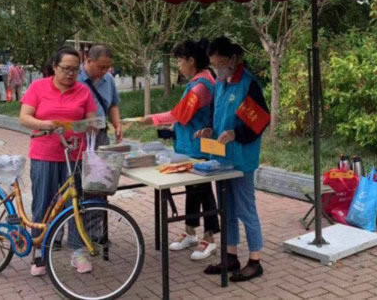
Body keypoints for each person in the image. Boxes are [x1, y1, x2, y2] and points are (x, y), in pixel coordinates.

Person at [19, 47, 97, 276]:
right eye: (66, 69)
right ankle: (40, 251)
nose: (71, 74)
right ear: (54, 67)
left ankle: (78, 250)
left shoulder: (83, 91)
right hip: (44, 154)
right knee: (43, 202)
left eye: (75, 70)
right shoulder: (38, 87)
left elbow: (92, 121)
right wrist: (44, 124)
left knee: (75, 203)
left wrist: (87, 126)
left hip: (74, 155)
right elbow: (24, 117)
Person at [196, 37, 269, 282]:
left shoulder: (248, 84)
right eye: (213, 64)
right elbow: (215, 114)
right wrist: (209, 128)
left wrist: (236, 133)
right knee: (225, 209)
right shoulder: (219, 83)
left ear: (233, 59)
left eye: (221, 63)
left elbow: (260, 120)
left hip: (241, 158)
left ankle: (255, 260)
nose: (217, 69)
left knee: (245, 209)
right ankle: (230, 256)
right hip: (220, 158)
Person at [141, 39, 219, 260]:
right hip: (189, 146)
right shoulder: (197, 81)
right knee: (192, 190)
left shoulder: (201, 86)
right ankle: (191, 231)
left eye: (180, 61)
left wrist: (152, 119)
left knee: (203, 191)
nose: (179, 66)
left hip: (199, 148)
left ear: (191, 60)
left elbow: (180, 113)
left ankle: (210, 238)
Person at [77, 45, 123, 147]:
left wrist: (117, 124)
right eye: (101, 67)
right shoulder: (74, 78)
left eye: (108, 67)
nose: (105, 71)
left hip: (101, 133)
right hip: (78, 134)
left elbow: (113, 105)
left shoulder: (108, 78)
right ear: (89, 61)